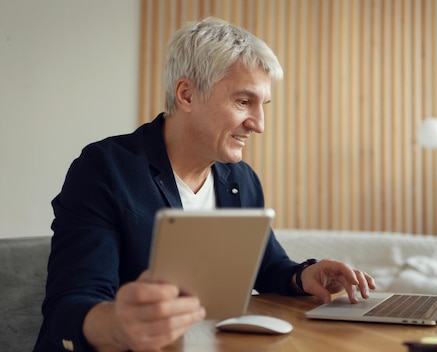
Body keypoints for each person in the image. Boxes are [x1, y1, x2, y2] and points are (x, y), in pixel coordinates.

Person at [34, 16, 376, 351]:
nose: (258, 124)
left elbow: (268, 266)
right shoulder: (105, 169)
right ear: (186, 95)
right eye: (244, 102)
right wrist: (118, 324)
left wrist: (304, 275)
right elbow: (69, 306)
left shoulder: (240, 179)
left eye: (263, 105)